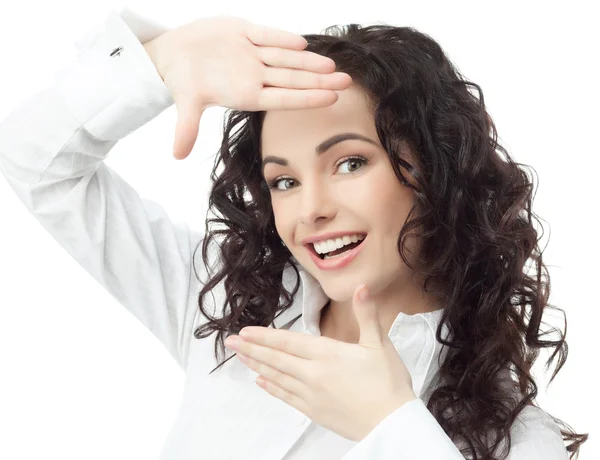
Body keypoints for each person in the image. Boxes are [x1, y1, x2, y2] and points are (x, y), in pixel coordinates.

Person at [0, 6, 588, 460]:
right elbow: (38, 167)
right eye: (283, 181)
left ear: (436, 171)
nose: (310, 210)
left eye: (350, 163)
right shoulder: (224, 304)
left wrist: (393, 425)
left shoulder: (515, 438)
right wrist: (160, 63)